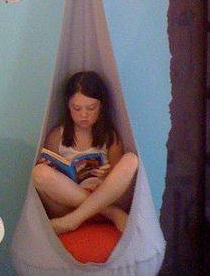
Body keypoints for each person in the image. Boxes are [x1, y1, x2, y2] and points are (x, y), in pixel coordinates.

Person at [32, 71, 138, 235]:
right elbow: (51, 175)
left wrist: (108, 173)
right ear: (68, 106)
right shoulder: (56, 136)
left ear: (101, 106)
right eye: (77, 108)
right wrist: (48, 166)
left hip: (104, 195)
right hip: (69, 203)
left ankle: (73, 221)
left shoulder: (110, 137)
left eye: (91, 108)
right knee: (39, 172)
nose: (83, 115)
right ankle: (110, 214)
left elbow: (119, 179)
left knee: (131, 160)